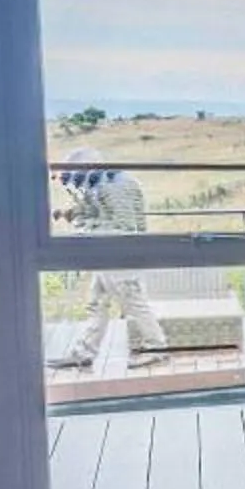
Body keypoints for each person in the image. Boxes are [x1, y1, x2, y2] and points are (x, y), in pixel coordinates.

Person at [53, 147, 159, 367]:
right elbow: (96, 212)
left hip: (121, 253)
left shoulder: (115, 185)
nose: (76, 182)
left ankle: (157, 349)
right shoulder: (100, 183)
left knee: (133, 302)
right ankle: (84, 353)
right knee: (97, 303)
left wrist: (86, 228)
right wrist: (73, 214)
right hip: (108, 253)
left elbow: (124, 226)